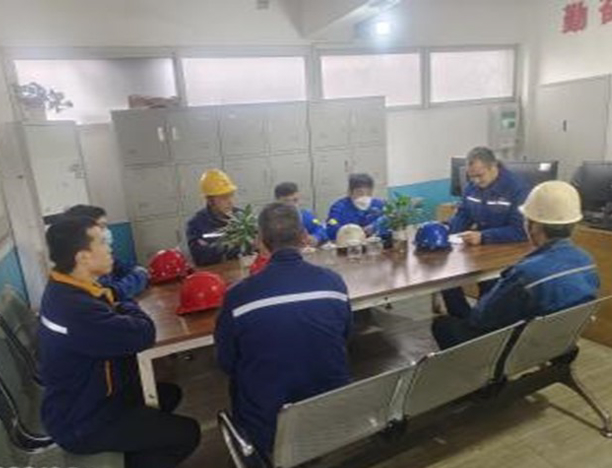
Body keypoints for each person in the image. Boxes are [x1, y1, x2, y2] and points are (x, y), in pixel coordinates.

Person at [38, 216, 200, 468]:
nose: (109, 248)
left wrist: (117, 302)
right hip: (83, 420)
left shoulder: (66, 287)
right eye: (102, 242)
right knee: (187, 433)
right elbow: (143, 333)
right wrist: (127, 302)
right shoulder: (76, 308)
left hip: (87, 398)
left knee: (168, 394)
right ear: (83, 257)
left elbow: (117, 312)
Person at [215, 203, 352, 454]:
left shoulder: (237, 297)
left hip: (271, 428)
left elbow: (226, 362)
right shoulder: (333, 283)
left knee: (241, 378)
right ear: (304, 237)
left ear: (259, 241)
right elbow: (345, 336)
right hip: (330, 415)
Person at [432, 181, 600, 349]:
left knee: (443, 325)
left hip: (516, 347)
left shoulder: (526, 273)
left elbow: (481, 318)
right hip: (558, 343)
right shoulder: (587, 261)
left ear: (534, 226)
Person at [442, 147, 530, 313]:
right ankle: (463, 318)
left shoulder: (517, 188)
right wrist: (448, 232)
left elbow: (520, 231)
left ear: (493, 166)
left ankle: (483, 319)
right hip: (482, 245)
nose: (475, 181)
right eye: (471, 176)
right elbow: (463, 214)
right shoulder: (471, 187)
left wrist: (483, 236)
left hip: (508, 248)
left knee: (489, 287)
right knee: (446, 278)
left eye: (479, 175)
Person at [64, 205, 148, 301]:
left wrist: (137, 274)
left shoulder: (103, 254)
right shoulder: (79, 266)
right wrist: (140, 276)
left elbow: (126, 268)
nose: (107, 231)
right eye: (102, 227)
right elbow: (113, 294)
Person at [186, 169, 241, 266]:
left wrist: (213, 248)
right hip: (214, 273)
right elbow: (200, 258)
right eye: (224, 198)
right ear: (210, 201)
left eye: (231, 196)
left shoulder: (241, 216)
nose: (230, 202)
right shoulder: (196, 224)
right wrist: (232, 245)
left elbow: (255, 247)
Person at [326, 173, 385, 241]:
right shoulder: (338, 207)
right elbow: (331, 228)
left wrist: (374, 226)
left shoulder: (379, 205)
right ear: (350, 192)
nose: (364, 196)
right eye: (360, 193)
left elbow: (388, 220)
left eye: (368, 193)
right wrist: (350, 232)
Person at [274, 182, 328, 246]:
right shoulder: (270, 219)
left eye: (295, 200)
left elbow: (321, 229)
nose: (292, 205)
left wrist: (316, 237)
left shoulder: (305, 215)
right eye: (286, 201)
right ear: (277, 201)